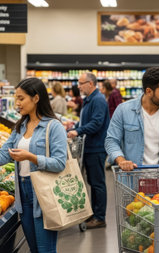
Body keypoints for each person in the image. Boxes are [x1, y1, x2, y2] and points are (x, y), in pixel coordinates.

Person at [0, 78, 67, 253]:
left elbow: (59, 163)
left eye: (21, 98)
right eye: (16, 99)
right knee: (34, 249)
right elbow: (4, 154)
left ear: (36, 98)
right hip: (23, 195)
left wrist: (32, 157)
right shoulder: (21, 127)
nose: (17, 103)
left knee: (45, 250)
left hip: (43, 195)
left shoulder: (53, 126)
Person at [105, 67, 159, 171]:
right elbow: (111, 141)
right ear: (149, 91)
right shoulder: (123, 110)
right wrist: (121, 160)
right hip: (133, 178)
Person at [67, 72, 110, 229]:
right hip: (89, 147)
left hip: (96, 148)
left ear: (90, 84)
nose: (78, 86)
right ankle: (93, 214)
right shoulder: (89, 100)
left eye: (81, 83)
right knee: (92, 182)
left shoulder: (98, 100)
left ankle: (100, 218)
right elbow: (84, 121)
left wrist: (78, 131)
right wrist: (74, 128)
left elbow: (96, 123)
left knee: (98, 183)